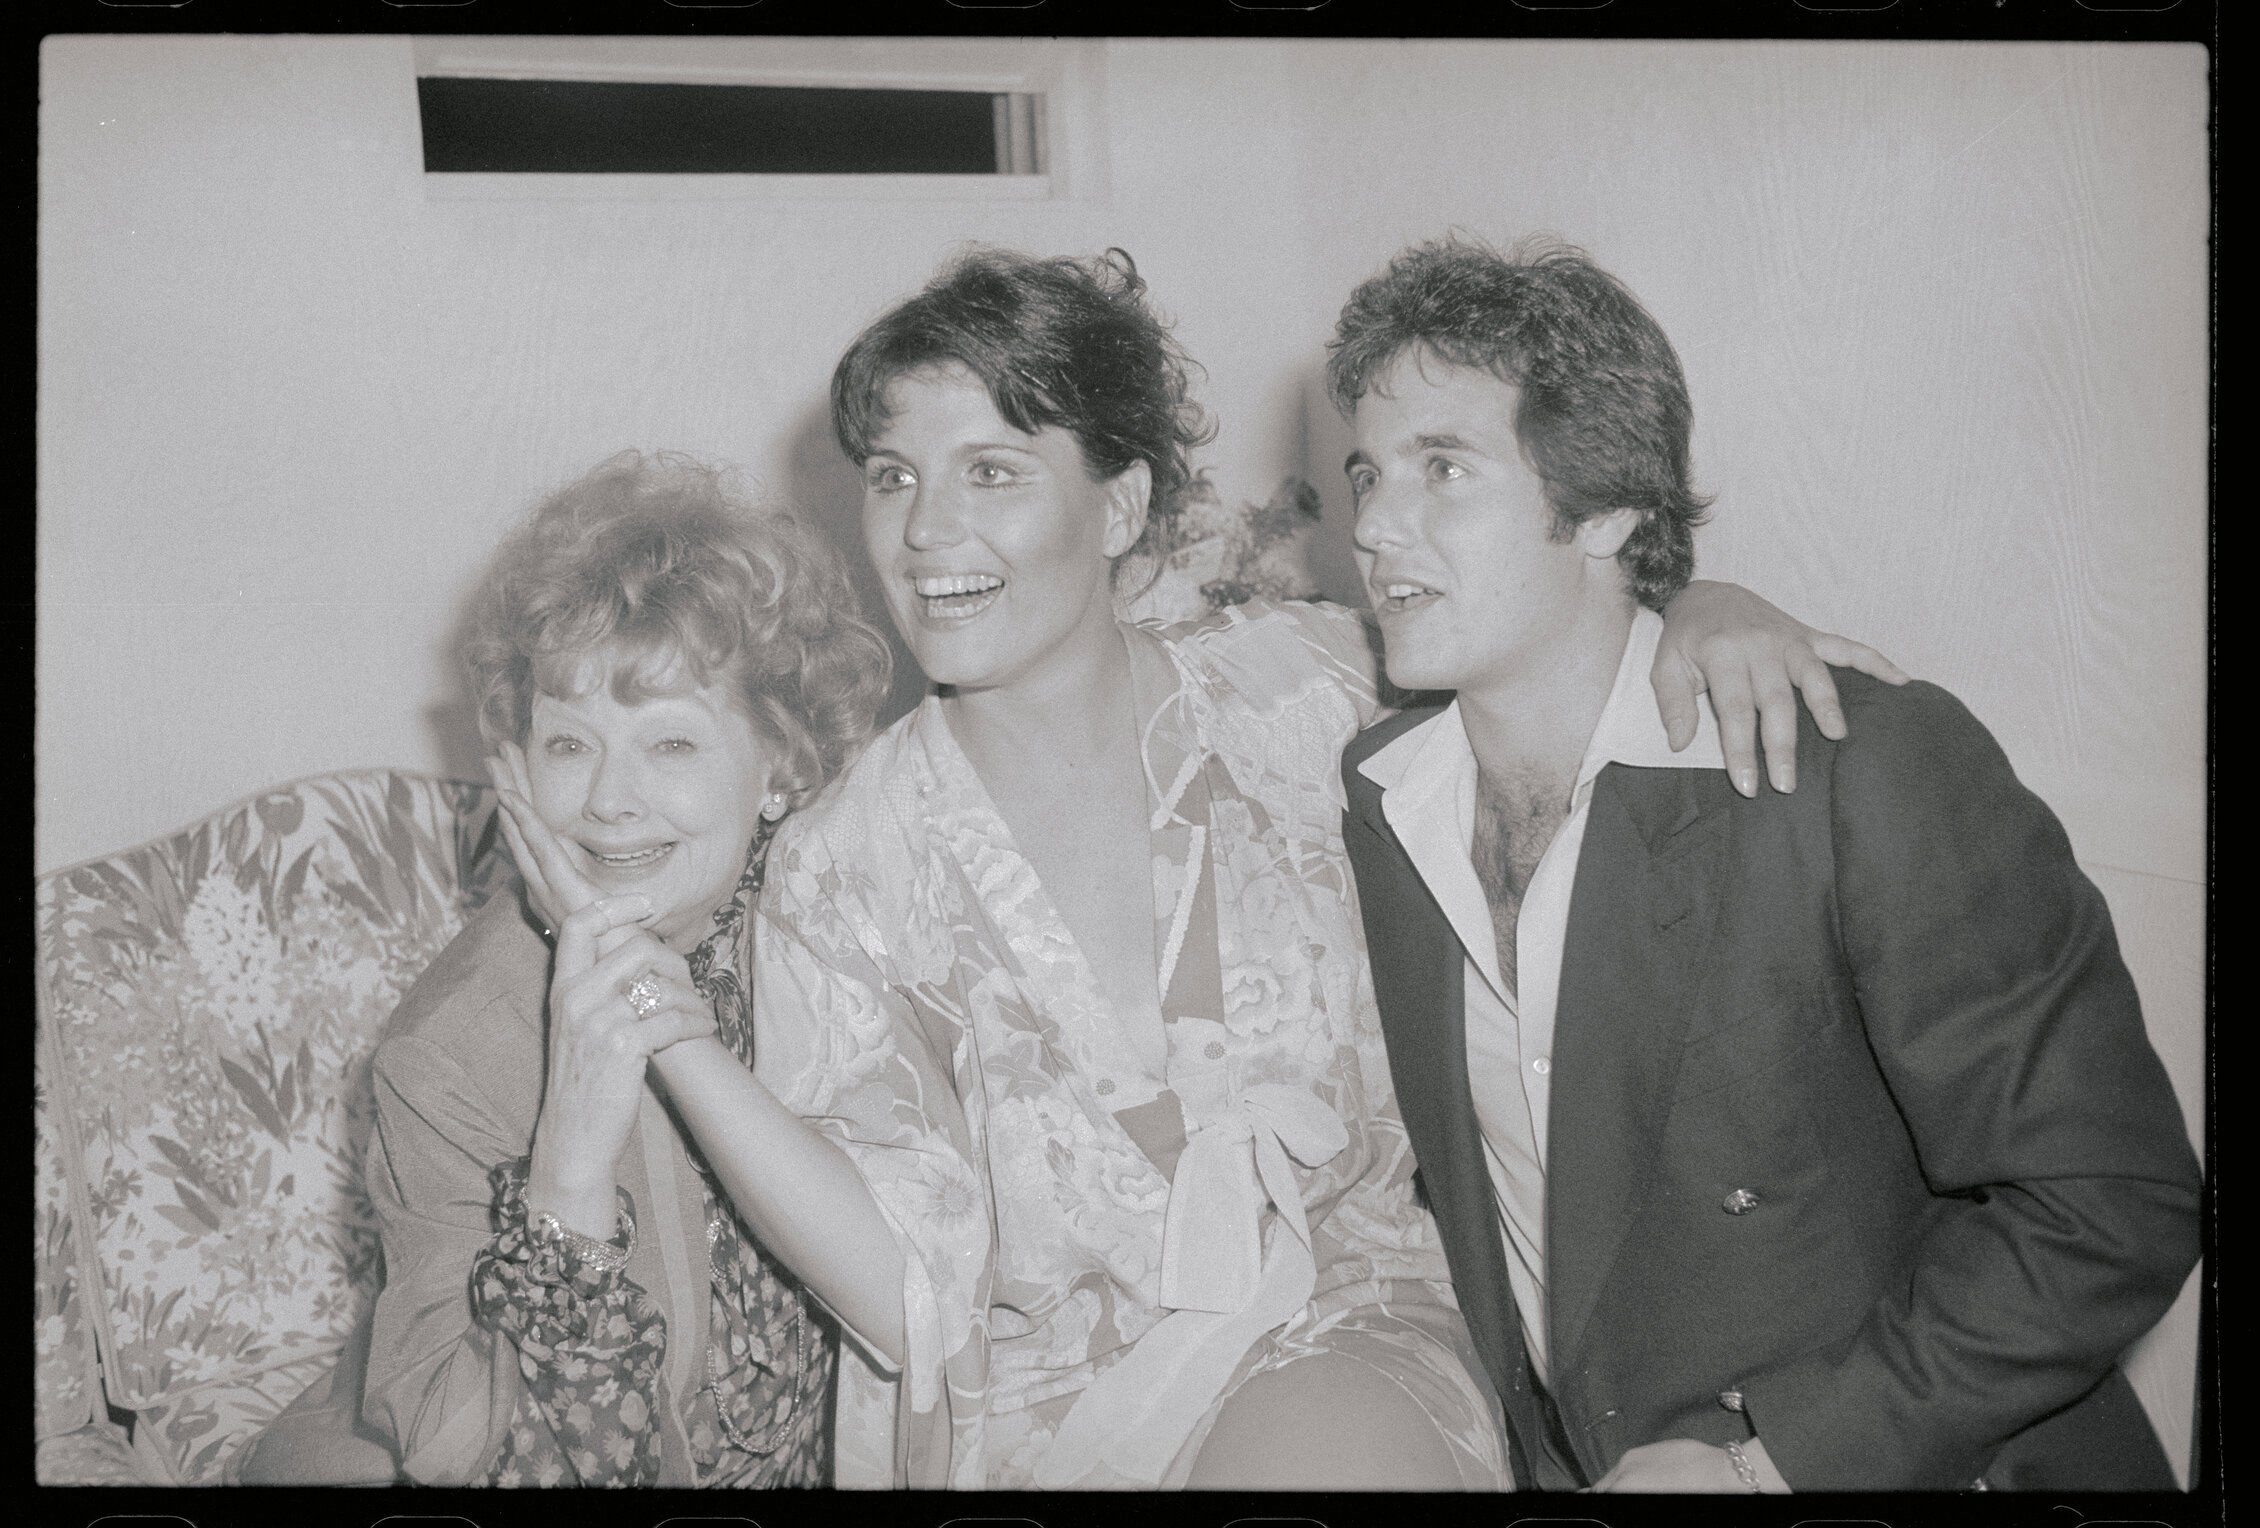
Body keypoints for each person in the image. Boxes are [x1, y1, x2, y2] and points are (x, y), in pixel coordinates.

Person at [489, 247, 1897, 1491]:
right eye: (897, 479)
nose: (925, 534)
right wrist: (665, 1025)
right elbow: (911, 1299)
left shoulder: (1313, 693)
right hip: (1035, 1417)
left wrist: (1705, 606)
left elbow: (1553, 643)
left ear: (1120, 506)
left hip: (1335, 1330)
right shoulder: (846, 865)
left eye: (992, 472)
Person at [1331, 237, 2203, 1492]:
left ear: (1612, 506)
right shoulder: (1379, 792)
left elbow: (2111, 1202)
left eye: (1442, 469)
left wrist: (1772, 1463)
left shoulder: (1859, 770)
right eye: (1366, 470)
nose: (1369, 525)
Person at [346, 452, 889, 1486]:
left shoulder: (844, 918)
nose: (608, 801)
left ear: (779, 763)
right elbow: (470, 1454)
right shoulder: (451, 1057)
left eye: (670, 745)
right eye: (569, 744)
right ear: (516, 760)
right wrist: (566, 1174)